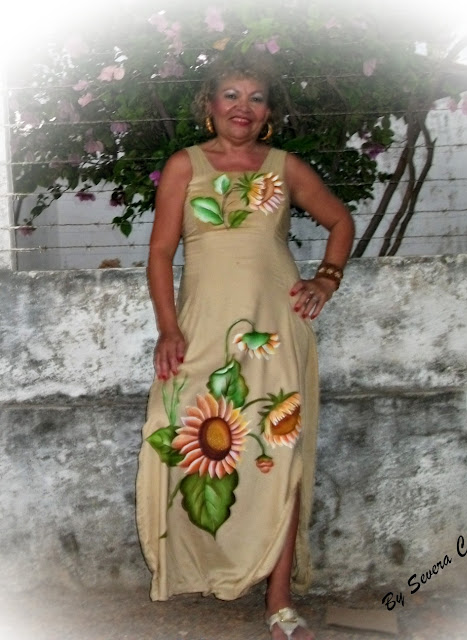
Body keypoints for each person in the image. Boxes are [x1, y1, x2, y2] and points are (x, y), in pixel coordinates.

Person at [136, 53, 354, 640]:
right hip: (201, 329)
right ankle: (203, 566)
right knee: (176, 435)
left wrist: (326, 280)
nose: (243, 107)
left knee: (280, 453)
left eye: (256, 98)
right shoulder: (185, 165)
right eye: (231, 95)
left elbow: (340, 221)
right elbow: (160, 253)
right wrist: (168, 328)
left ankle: (278, 601)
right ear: (209, 106)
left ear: (268, 113)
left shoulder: (286, 168)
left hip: (275, 329)